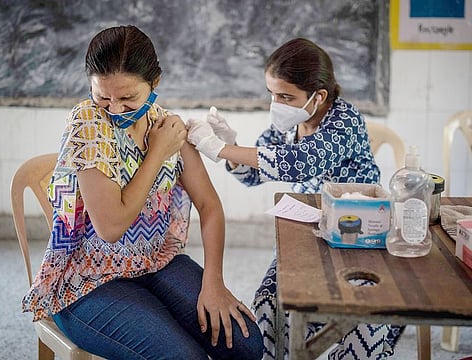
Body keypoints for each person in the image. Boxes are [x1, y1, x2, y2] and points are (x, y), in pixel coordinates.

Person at [21, 25, 263, 360]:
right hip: (88, 280)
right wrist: (157, 153)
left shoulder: (166, 126)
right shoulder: (88, 125)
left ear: (154, 84)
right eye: (103, 96)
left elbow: (209, 205)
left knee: (246, 344)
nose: (115, 109)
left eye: (127, 98)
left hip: (155, 261)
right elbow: (112, 227)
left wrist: (214, 283)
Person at [187, 38, 404, 359]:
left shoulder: (345, 122)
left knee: (367, 321)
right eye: (273, 94)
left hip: (358, 242)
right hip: (307, 238)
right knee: (267, 305)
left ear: (319, 97)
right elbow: (253, 175)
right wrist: (231, 149)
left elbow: (299, 163)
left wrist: (219, 150)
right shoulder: (287, 123)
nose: (277, 103)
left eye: (286, 96)